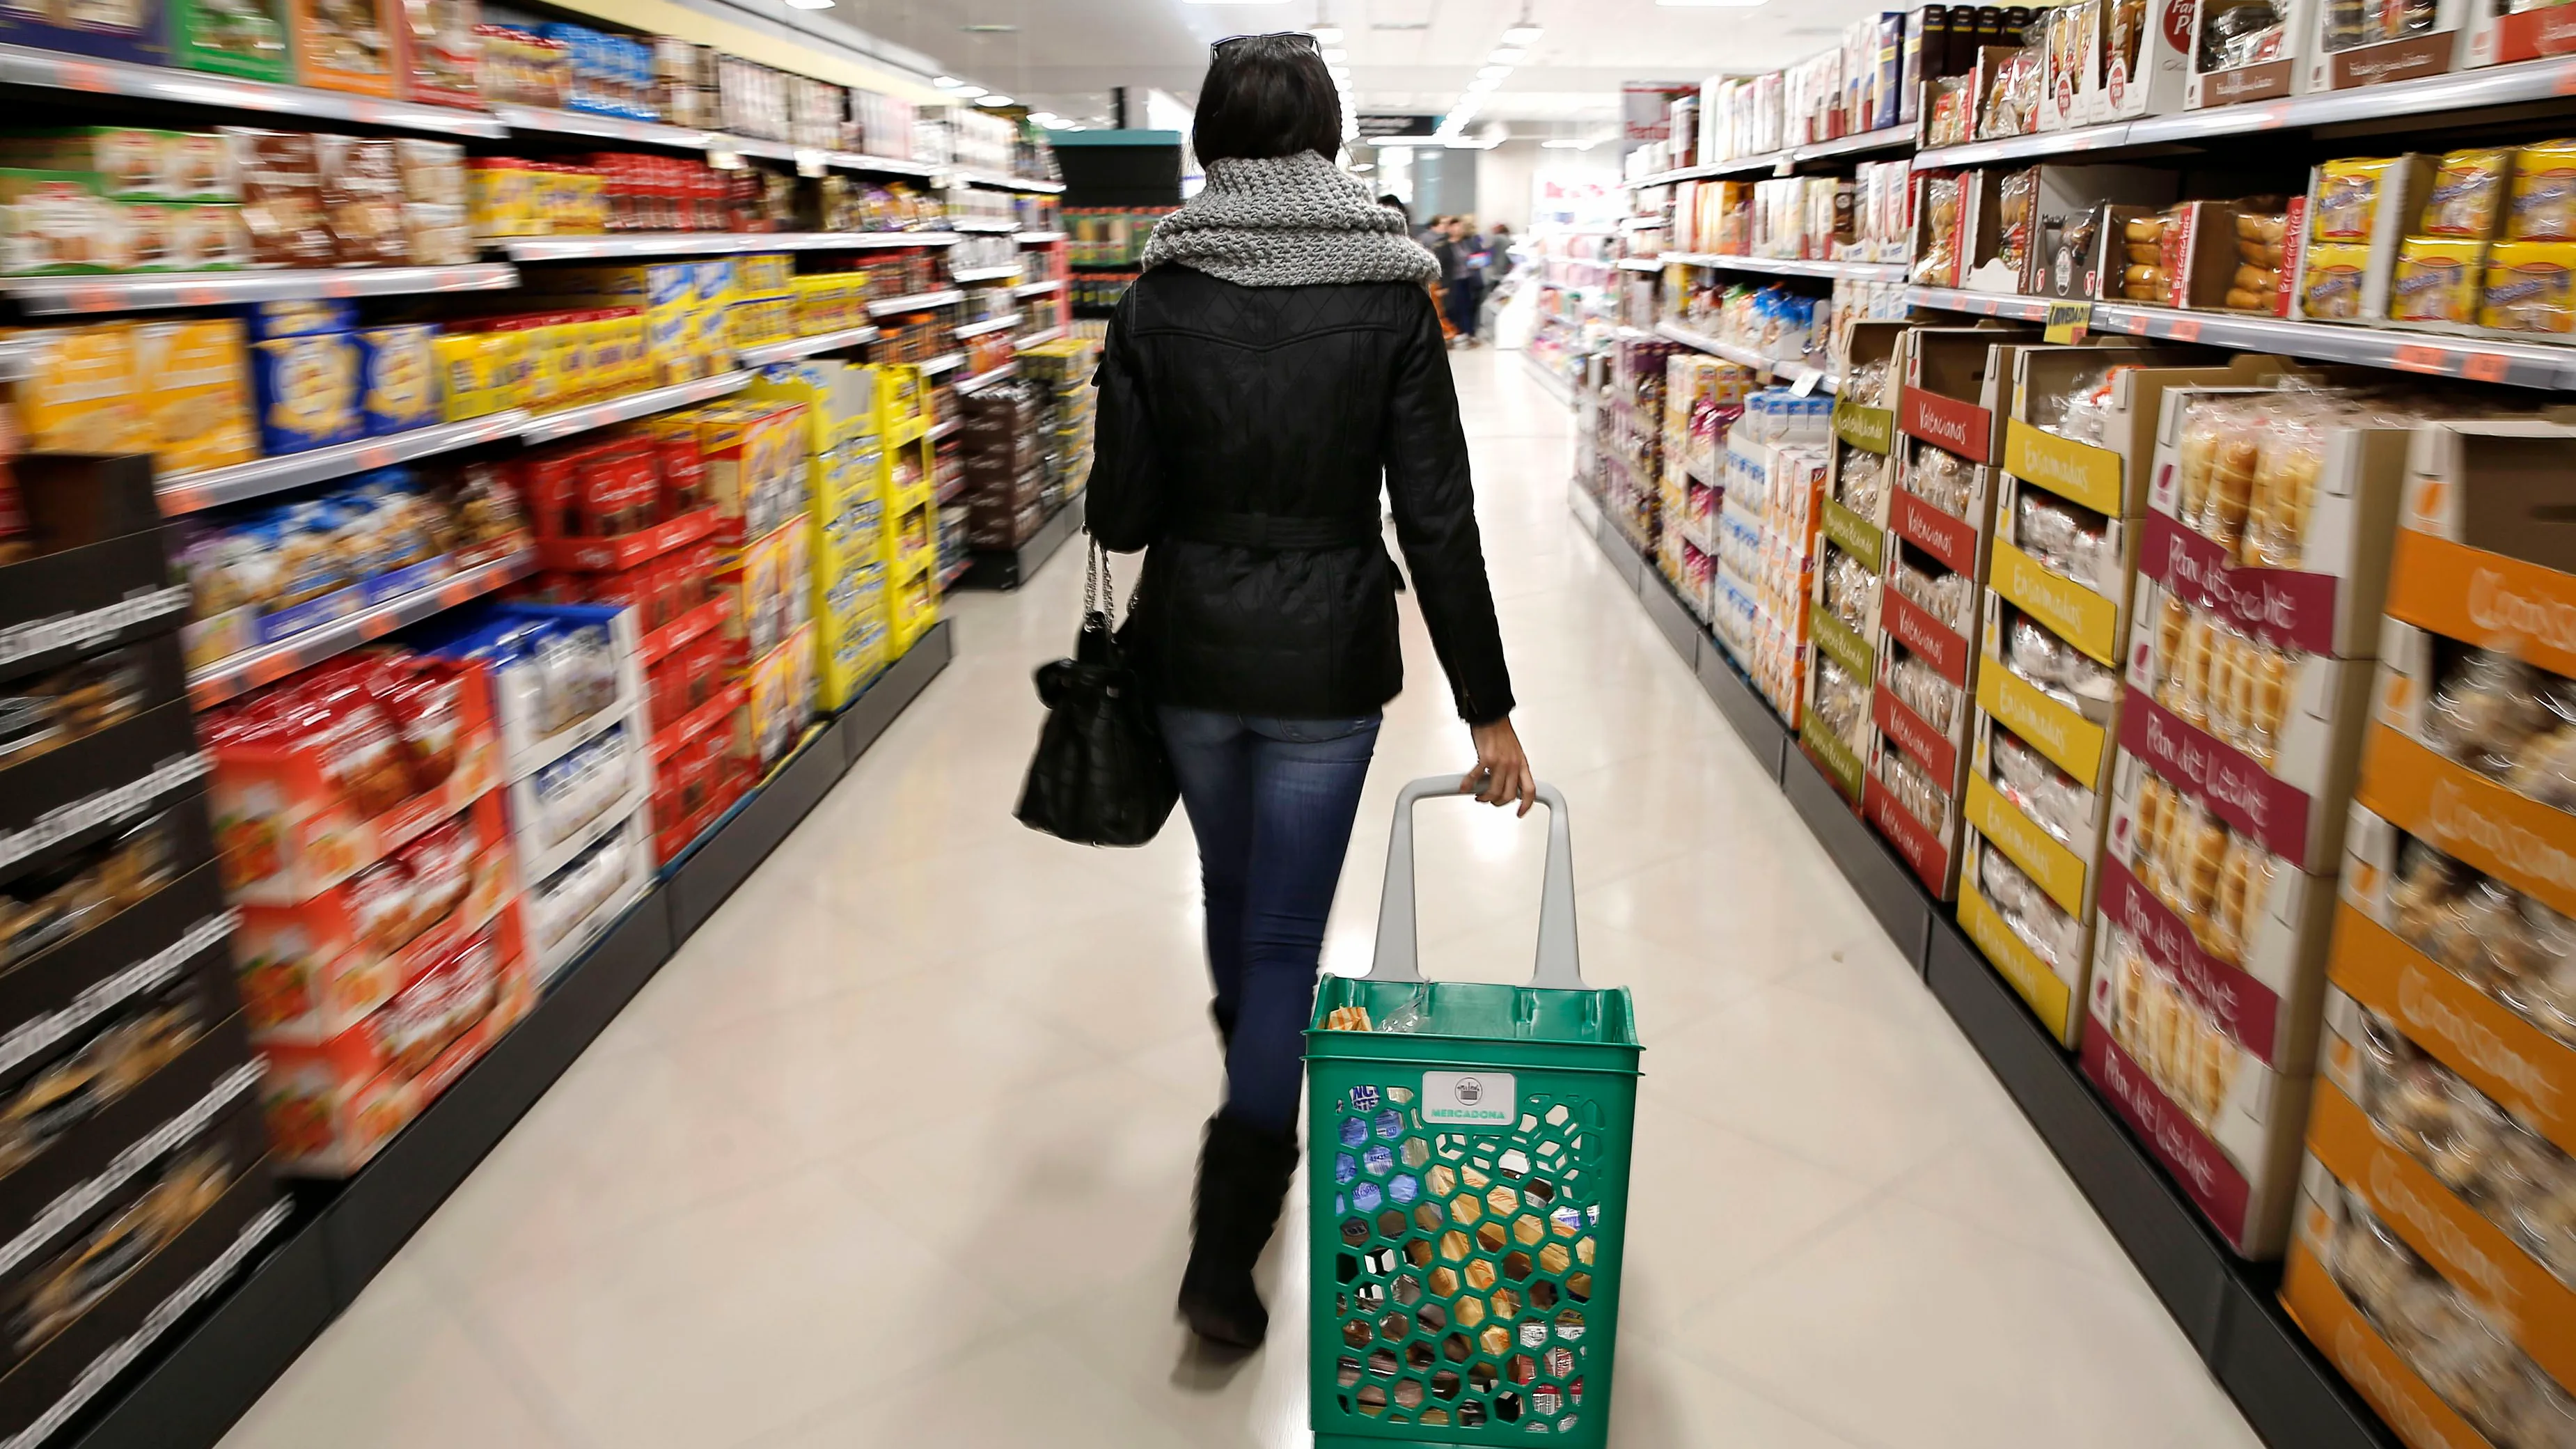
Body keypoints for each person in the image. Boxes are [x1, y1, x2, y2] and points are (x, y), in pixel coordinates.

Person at [1086, 30, 1534, 1352]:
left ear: (1207, 142)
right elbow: (1438, 518)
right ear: (1330, 140)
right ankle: (1228, 1233)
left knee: (1240, 906)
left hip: (1191, 649)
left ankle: (1249, 1096)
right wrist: (1487, 705)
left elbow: (1119, 514)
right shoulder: (1395, 286)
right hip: (1330, 656)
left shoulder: (1157, 289)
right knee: (1283, 934)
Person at [1438, 216, 1486, 346]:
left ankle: (1470, 334)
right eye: (1454, 226)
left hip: (1470, 280)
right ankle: (1454, 334)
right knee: (1453, 308)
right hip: (1453, 282)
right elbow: (1441, 266)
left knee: (1470, 308)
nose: (1457, 229)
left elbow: (1481, 257)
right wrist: (1442, 285)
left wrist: (1478, 261)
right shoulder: (1443, 246)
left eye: (1459, 226)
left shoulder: (1470, 242)